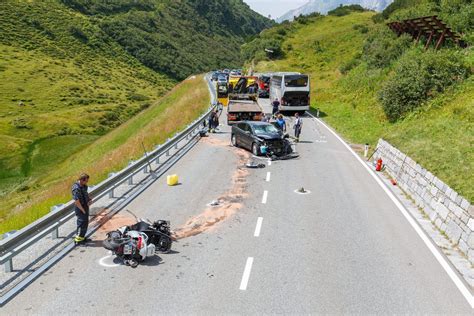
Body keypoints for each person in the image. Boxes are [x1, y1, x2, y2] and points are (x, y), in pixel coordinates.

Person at [72, 173, 92, 244]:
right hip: (80, 208)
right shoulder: (76, 188)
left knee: (85, 222)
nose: (86, 183)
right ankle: (78, 240)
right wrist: (83, 210)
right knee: (81, 223)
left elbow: (85, 193)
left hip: (85, 206)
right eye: (86, 181)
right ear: (81, 180)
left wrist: (89, 199)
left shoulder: (84, 186)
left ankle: (82, 237)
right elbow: (77, 202)